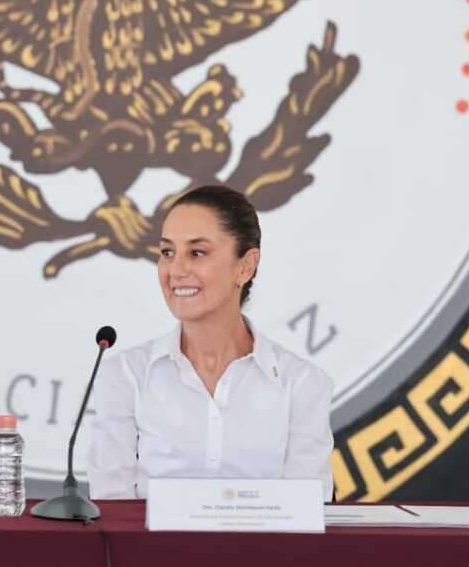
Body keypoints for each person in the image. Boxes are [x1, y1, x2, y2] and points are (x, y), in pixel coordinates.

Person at [87, 185, 334, 501]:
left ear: (245, 266)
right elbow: (112, 512)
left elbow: (307, 516)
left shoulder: (302, 384)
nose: (176, 270)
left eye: (197, 253)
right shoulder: (124, 376)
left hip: (266, 553)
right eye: (167, 253)